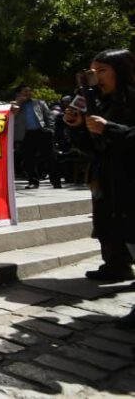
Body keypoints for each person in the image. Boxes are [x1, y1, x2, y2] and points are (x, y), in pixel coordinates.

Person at [63, 50, 135, 292]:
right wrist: (77, 128)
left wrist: (110, 128)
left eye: (102, 70)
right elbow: (93, 147)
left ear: (121, 71)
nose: (96, 77)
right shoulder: (98, 102)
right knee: (108, 222)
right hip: (107, 176)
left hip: (130, 176)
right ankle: (116, 265)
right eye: (93, 71)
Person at [13, 85, 58, 189]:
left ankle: (56, 181)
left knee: (51, 158)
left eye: (29, 91)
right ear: (19, 93)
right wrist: (18, 102)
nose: (28, 93)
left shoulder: (39, 103)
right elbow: (12, 118)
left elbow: (49, 116)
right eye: (25, 91)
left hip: (42, 131)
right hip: (25, 134)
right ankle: (33, 182)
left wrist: (50, 129)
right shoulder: (15, 105)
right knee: (29, 160)